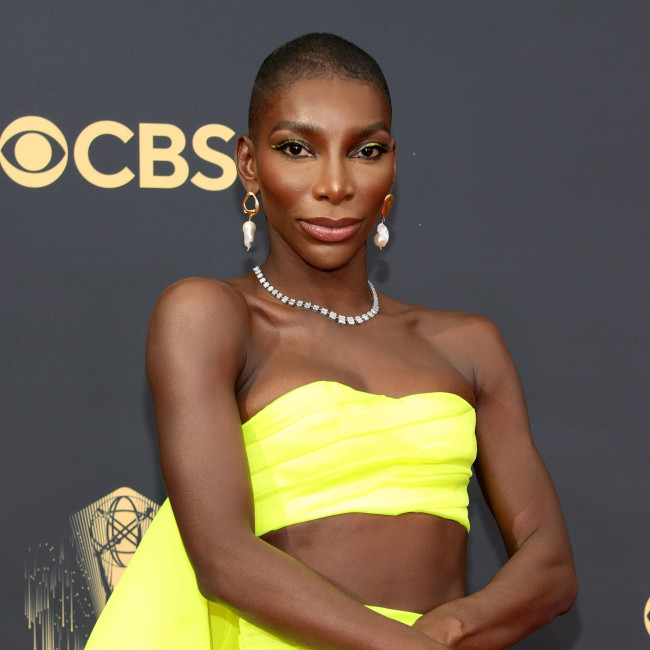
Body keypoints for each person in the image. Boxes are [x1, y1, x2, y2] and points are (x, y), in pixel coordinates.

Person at [86, 33, 577, 649]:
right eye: (297, 149)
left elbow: (550, 567)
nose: (336, 184)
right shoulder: (209, 316)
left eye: (366, 151)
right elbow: (222, 557)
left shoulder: (469, 344)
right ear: (248, 164)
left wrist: (445, 633)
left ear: (392, 164)